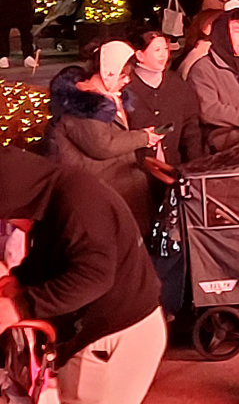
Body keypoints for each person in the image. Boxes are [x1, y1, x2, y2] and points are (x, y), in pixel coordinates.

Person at [0, 147, 166, 404]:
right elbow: (54, 255)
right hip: (108, 332)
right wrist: (18, 280)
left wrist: (20, 306)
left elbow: (93, 276)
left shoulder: (78, 201)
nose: (11, 223)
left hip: (111, 335)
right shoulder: (58, 194)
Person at [45, 43, 162, 236]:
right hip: (97, 192)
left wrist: (142, 136)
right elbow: (102, 146)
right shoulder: (84, 105)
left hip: (116, 186)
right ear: (108, 72)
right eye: (122, 75)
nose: (127, 81)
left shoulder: (109, 98)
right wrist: (143, 137)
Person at [186, 6, 239, 153]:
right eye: (237, 31)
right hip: (221, 142)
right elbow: (209, 110)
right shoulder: (203, 69)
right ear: (223, 33)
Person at [121, 28, 203, 168]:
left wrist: (195, 164)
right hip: (135, 171)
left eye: (165, 48)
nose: (163, 55)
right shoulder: (125, 86)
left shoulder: (177, 84)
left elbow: (190, 127)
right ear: (140, 55)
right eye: (157, 50)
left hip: (174, 165)